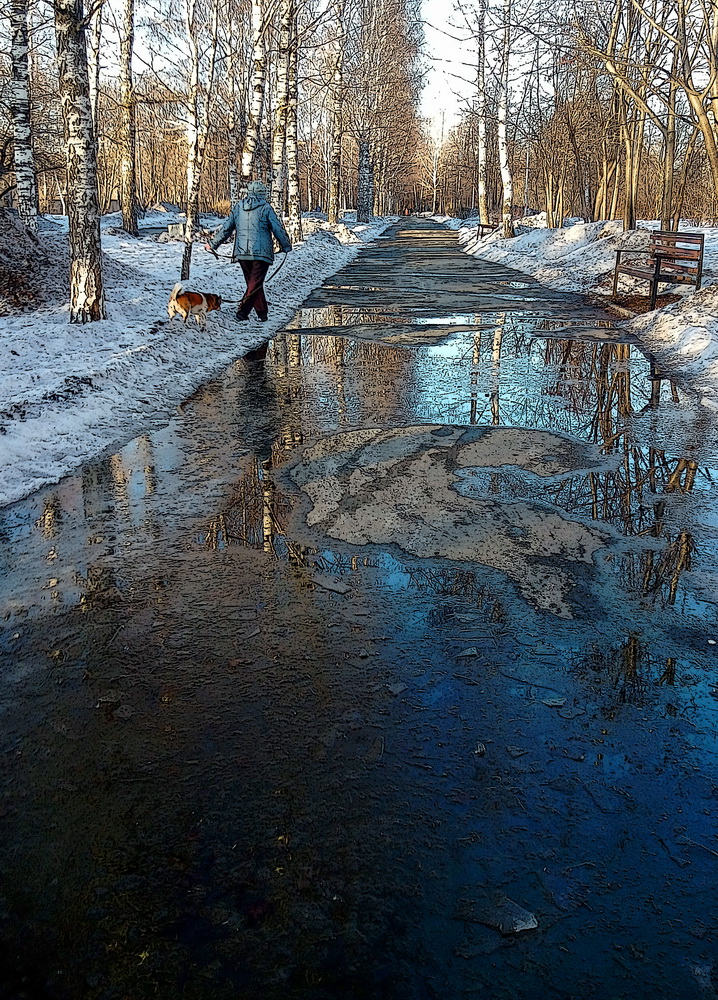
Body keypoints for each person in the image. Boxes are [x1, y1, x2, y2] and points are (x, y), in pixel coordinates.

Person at [205, 180, 292, 322]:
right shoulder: (266, 208)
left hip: (242, 253)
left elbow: (227, 228)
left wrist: (213, 244)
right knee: (255, 284)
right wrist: (286, 246)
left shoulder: (239, 207)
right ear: (263, 194)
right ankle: (243, 312)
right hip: (261, 253)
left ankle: (262, 313)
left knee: (254, 283)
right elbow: (277, 228)